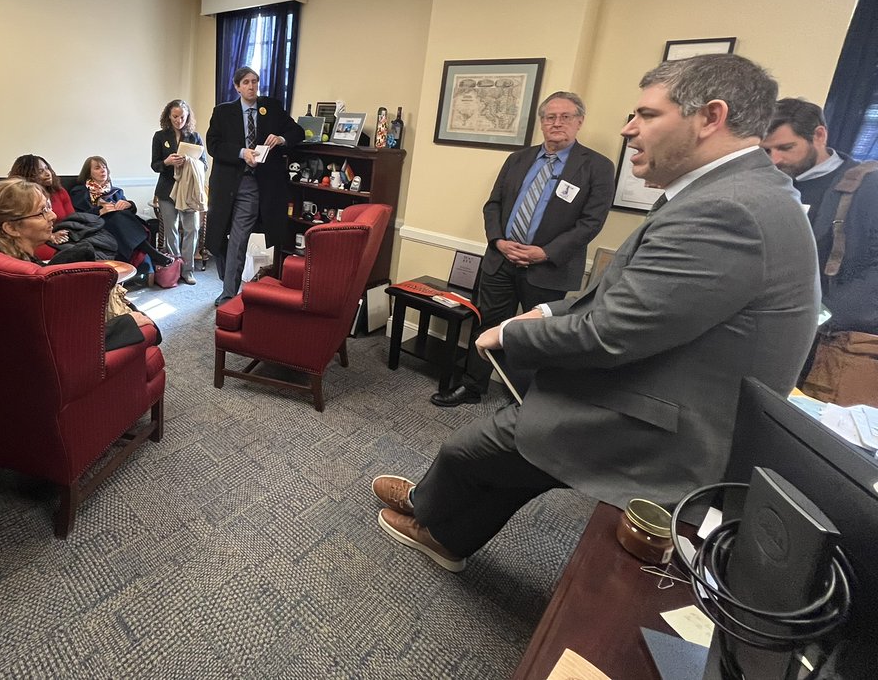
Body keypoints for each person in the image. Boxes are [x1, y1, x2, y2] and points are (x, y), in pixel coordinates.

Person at [372, 54, 819, 573]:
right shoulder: (732, 192)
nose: (629, 129)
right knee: (506, 453)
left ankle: (433, 515)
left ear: (710, 117)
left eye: (647, 115)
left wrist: (514, 334)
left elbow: (610, 332)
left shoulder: (727, 210)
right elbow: (627, 292)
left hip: (665, 419)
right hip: (655, 383)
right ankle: (444, 527)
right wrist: (544, 312)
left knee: (475, 446)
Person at [434, 91, 615, 407]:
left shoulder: (597, 167)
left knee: (537, 336)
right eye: (550, 117)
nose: (557, 123)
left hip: (548, 269)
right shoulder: (518, 159)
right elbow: (493, 205)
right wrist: (498, 241)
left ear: (580, 121)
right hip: (500, 261)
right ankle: (473, 387)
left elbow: (591, 223)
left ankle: (526, 400)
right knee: (487, 323)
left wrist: (544, 253)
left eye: (565, 116)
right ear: (542, 122)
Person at [0, 178, 155, 348]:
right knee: (146, 323)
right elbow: (63, 339)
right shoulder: (26, 279)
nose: (53, 216)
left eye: (48, 208)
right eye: (41, 212)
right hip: (66, 362)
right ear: (11, 228)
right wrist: (127, 323)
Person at [762, 98, 878, 336]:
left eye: (785, 148)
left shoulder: (868, 185)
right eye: (766, 150)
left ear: (819, 135)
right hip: (764, 321)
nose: (774, 160)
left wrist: (820, 320)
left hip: (826, 331)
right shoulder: (764, 181)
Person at [205, 67, 302, 306]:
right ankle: (227, 278)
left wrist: (281, 139)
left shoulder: (272, 108)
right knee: (217, 241)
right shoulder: (223, 112)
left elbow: (297, 131)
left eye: (255, 82)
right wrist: (241, 153)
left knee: (238, 239)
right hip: (226, 185)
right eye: (246, 82)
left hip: (254, 185)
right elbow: (213, 145)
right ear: (237, 86)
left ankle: (228, 293)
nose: (252, 86)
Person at [70, 156, 172, 272]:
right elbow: (78, 216)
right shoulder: (80, 191)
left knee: (120, 216)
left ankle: (149, 258)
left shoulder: (116, 191)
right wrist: (99, 211)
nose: (103, 170)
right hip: (97, 225)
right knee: (117, 217)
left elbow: (128, 214)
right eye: (97, 168)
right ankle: (152, 253)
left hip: (120, 225)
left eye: (105, 167)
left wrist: (129, 205)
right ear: (88, 173)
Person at [151, 99, 207, 286]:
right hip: (167, 190)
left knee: (192, 229)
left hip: (188, 191)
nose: (179, 120)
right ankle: (174, 267)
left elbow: (204, 165)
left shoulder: (195, 137)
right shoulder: (159, 136)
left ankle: (188, 270)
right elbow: (155, 165)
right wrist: (167, 162)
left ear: (187, 116)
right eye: (175, 116)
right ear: (168, 116)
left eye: (182, 116)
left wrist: (190, 162)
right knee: (171, 230)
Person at [8, 153, 72, 254]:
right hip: (36, 242)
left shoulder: (60, 192)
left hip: (63, 238)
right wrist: (50, 236)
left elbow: (72, 219)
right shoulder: (18, 198)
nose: (48, 173)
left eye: (47, 168)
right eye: (41, 171)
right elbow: (22, 230)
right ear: (27, 176)